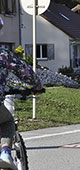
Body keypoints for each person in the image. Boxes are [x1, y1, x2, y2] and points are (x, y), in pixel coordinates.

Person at [0, 17, 42, 170]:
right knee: (7, 121)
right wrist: (37, 86)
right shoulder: (3, 55)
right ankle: (5, 153)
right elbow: (27, 74)